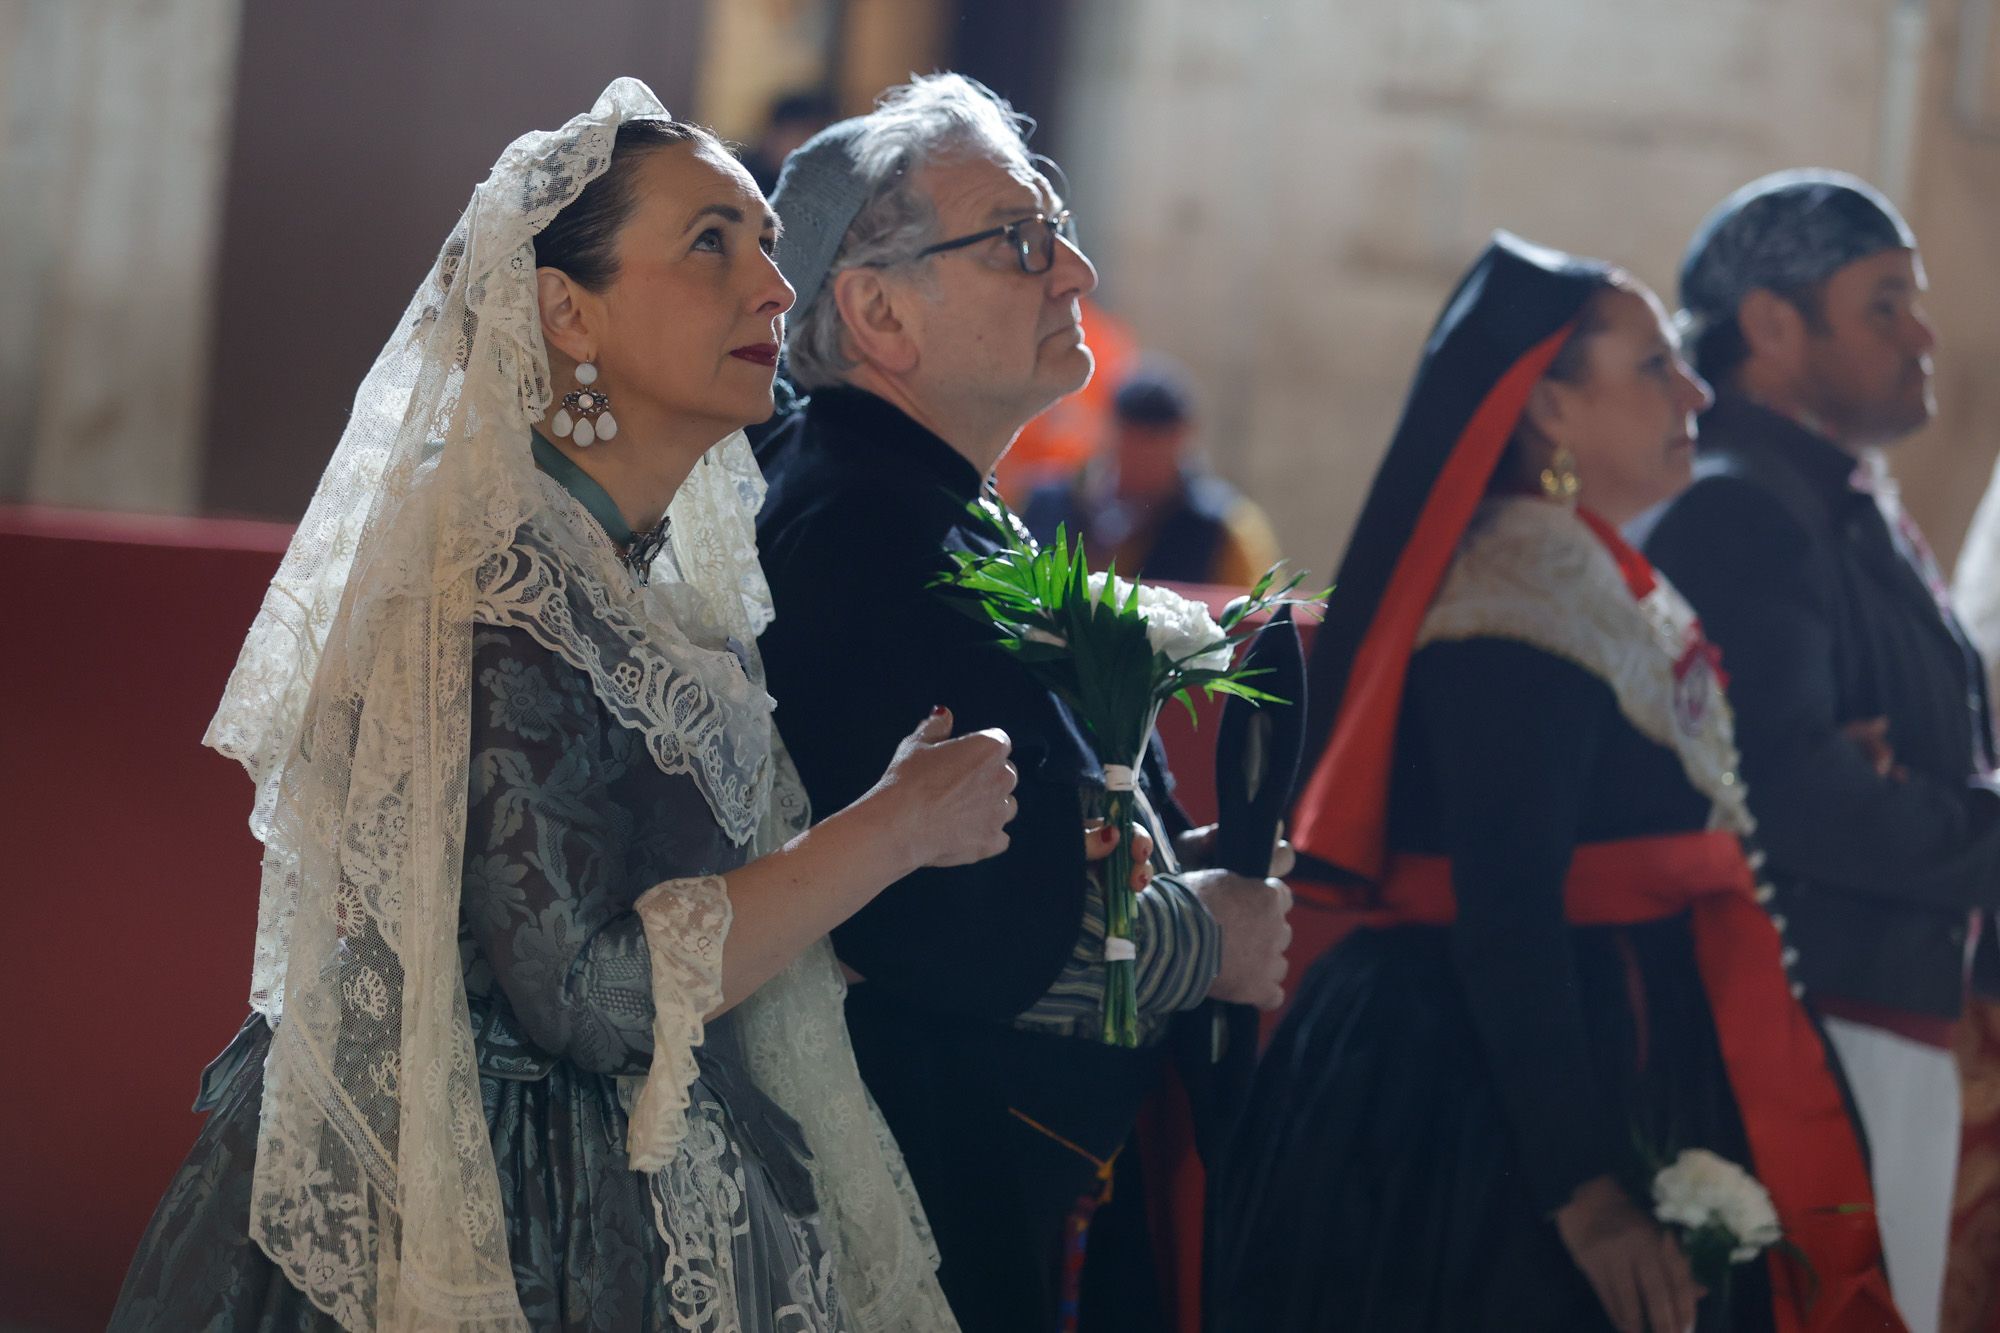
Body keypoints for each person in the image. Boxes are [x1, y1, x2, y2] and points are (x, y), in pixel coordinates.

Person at [108, 79, 1020, 1332]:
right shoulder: (489, 579)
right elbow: (585, 998)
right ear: (563, 310)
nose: (772, 286)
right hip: (502, 1198)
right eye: (712, 243)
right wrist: (892, 830)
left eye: (764, 241)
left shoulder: (642, 584)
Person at [1209, 233, 1899, 1332]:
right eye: (1651, 366)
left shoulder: (1575, 570)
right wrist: (1583, 1195)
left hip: (1604, 1026)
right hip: (1477, 1094)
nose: (1694, 389)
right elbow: (1509, 906)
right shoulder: (1512, 596)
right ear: (1547, 411)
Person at [752, 74, 1293, 1331]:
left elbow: (1028, 819)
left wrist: (1168, 858)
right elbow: (912, 920)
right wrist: (1188, 940)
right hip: (929, 1187)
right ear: (877, 310)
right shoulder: (853, 522)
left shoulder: (912, 493)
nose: (1075, 270)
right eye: (1018, 240)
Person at [1643, 169, 2000, 1333]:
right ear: (1770, 325)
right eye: (1883, 303)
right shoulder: (1743, 508)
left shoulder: (1826, 500)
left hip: (1878, 1006)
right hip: (1811, 1026)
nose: (1923, 334)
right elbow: (1796, 789)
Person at [1021, 360, 1281, 586]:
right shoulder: (1049, 503)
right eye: (1129, 444)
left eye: (1152, 447)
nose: (1138, 461)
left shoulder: (1226, 527)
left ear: (1182, 439)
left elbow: (1253, 622)